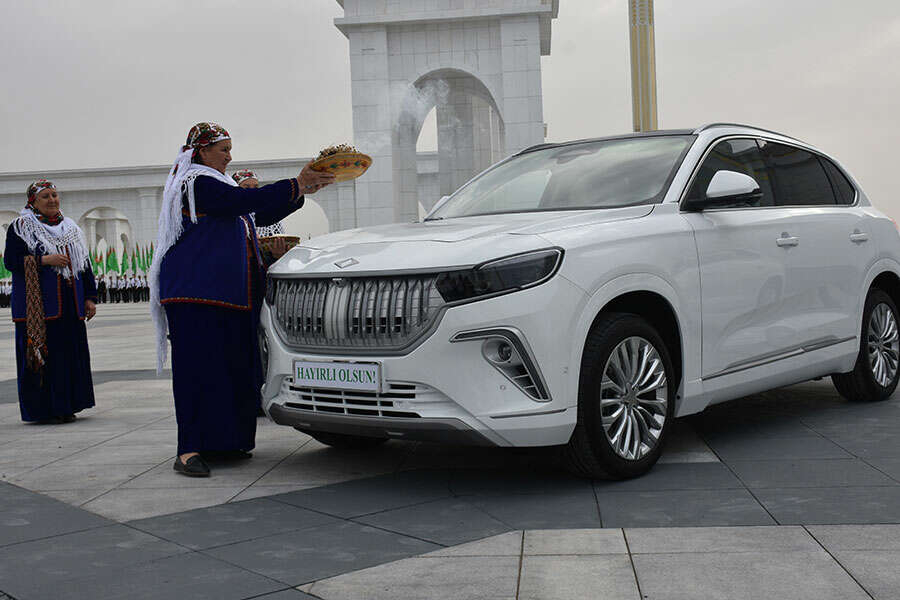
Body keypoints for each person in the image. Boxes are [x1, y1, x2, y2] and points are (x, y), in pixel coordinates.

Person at [151, 122, 334, 477]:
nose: (230, 156)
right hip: (196, 295)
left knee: (232, 371)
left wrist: (301, 192)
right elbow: (242, 201)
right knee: (197, 372)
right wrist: (296, 182)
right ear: (202, 152)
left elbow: (258, 213)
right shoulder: (195, 183)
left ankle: (224, 442)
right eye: (223, 149)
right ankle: (189, 449)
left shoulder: (221, 189)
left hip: (230, 296)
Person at [3, 179, 97, 424]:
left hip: (70, 304)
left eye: (54, 195)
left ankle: (69, 405)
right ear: (33, 201)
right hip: (39, 309)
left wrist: (89, 297)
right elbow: (11, 261)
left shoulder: (71, 228)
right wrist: (44, 260)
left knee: (69, 355)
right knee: (45, 357)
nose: (52, 200)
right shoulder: (21, 227)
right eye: (45, 196)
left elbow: (84, 265)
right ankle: (45, 410)